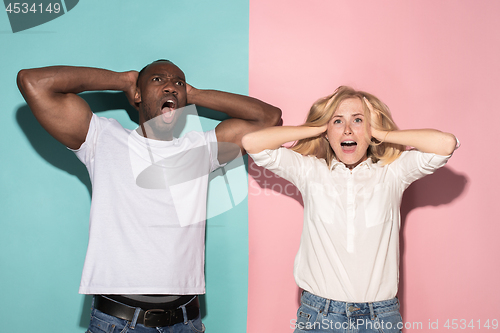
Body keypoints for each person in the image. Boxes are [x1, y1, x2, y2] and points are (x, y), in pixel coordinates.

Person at [17, 60, 281, 333]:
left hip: (185, 322)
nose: (171, 86)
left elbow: (269, 119)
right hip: (118, 323)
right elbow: (33, 82)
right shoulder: (101, 138)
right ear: (138, 95)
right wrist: (124, 80)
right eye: (158, 80)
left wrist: (193, 94)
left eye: (178, 82)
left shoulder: (202, 148)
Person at [242, 86, 458, 333]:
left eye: (357, 120)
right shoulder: (310, 171)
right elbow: (252, 142)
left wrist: (380, 133)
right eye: (337, 121)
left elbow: (445, 143)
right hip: (319, 315)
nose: (347, 129)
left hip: (380, 317)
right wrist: (317, 128)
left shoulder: (393, 172)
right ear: (327, 132)